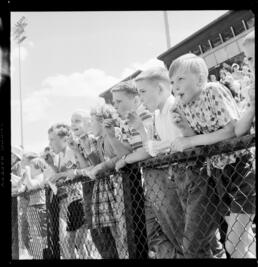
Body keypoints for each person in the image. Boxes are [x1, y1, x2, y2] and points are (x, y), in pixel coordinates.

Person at [169, 53, 255, 258]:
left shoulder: (212, 90)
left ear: (199, 79)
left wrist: (189, 141)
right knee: (243, 242)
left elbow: (230, 130)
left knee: (234, 245)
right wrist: (185, 128)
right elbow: (201, 139)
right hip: (217, 173)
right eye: (172, 82)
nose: (175, 87)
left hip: (239, 168)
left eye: (181, 79)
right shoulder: (184, 105)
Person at [135, 67, 226, 258]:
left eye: (143, 92)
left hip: (196, 177)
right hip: (180, 181)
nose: (140, 98)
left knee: (197, 243)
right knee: (201, 243)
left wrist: (158, 145)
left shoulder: (175, 106)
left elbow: (179, 143)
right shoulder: (158, 115)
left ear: (160, 88)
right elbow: (158, 147)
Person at [112, 79, 186, 258]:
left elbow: (148, 150)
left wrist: (126, 159)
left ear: (135, 99)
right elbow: (140, 149)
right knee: (150, 230)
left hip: (164, 178)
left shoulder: (147, 114)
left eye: (119, 101)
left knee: (177, 231)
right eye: (114, 102)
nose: (115, 106)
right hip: (152, 182)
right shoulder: (132, 120)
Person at [54, 106, 132, 259]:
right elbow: (91, 166)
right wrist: (77, 150)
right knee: (103, 235)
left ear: (90, 123)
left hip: (111, 187)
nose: (73, 124)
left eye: (77, 121)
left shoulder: (98, 138)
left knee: (117, 235)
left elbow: (99, 164)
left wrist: (80, 169)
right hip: (97, 191)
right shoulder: (86, 141)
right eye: (71, 121)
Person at [46, 123, 89, 259]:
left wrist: (60, 175)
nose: (50, 143)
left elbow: (80, 170)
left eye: (52, 139)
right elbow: (63, 176)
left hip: (80, 198)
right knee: (70, 243)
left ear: (64, 139)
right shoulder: (59, 157)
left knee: (79, 243)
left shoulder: (71, 150)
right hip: (70, 202)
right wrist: (52, 166)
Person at [21, 154, 48, 259]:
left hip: (40, 207)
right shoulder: (32, 177)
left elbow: (32, 185)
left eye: (31, 167)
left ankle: (43, 255)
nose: (29, 169)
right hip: (32, 207)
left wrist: (27, 173)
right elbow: (24, 186)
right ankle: (38, 255)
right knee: (34, 235)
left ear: (38, 168)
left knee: (43, 235)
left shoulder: (41, 176)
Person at [234, 30, 255, 138]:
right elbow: (238, 131)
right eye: (250, 59)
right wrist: (252, 106)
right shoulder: (253, 90)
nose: (254, 63)